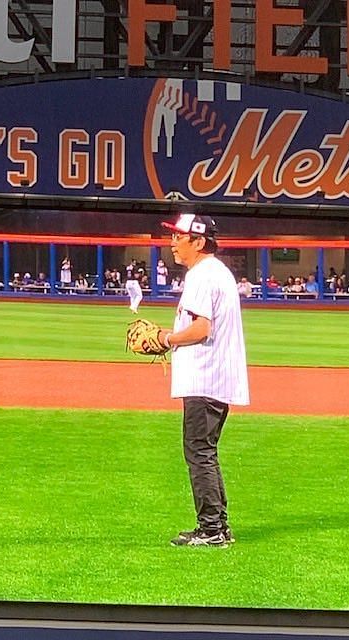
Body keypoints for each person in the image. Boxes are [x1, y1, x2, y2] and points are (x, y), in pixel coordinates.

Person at [157, 213, 249, 548]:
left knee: (199, 452)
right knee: (204, 450)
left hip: (205, 378)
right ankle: (217, 527)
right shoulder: (216, 272)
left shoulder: (202, 275)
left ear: (199, 241)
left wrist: (165, 338)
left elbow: (200, 329)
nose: (173, 242)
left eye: (179, 237)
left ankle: (211, 529)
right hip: (214, 377)